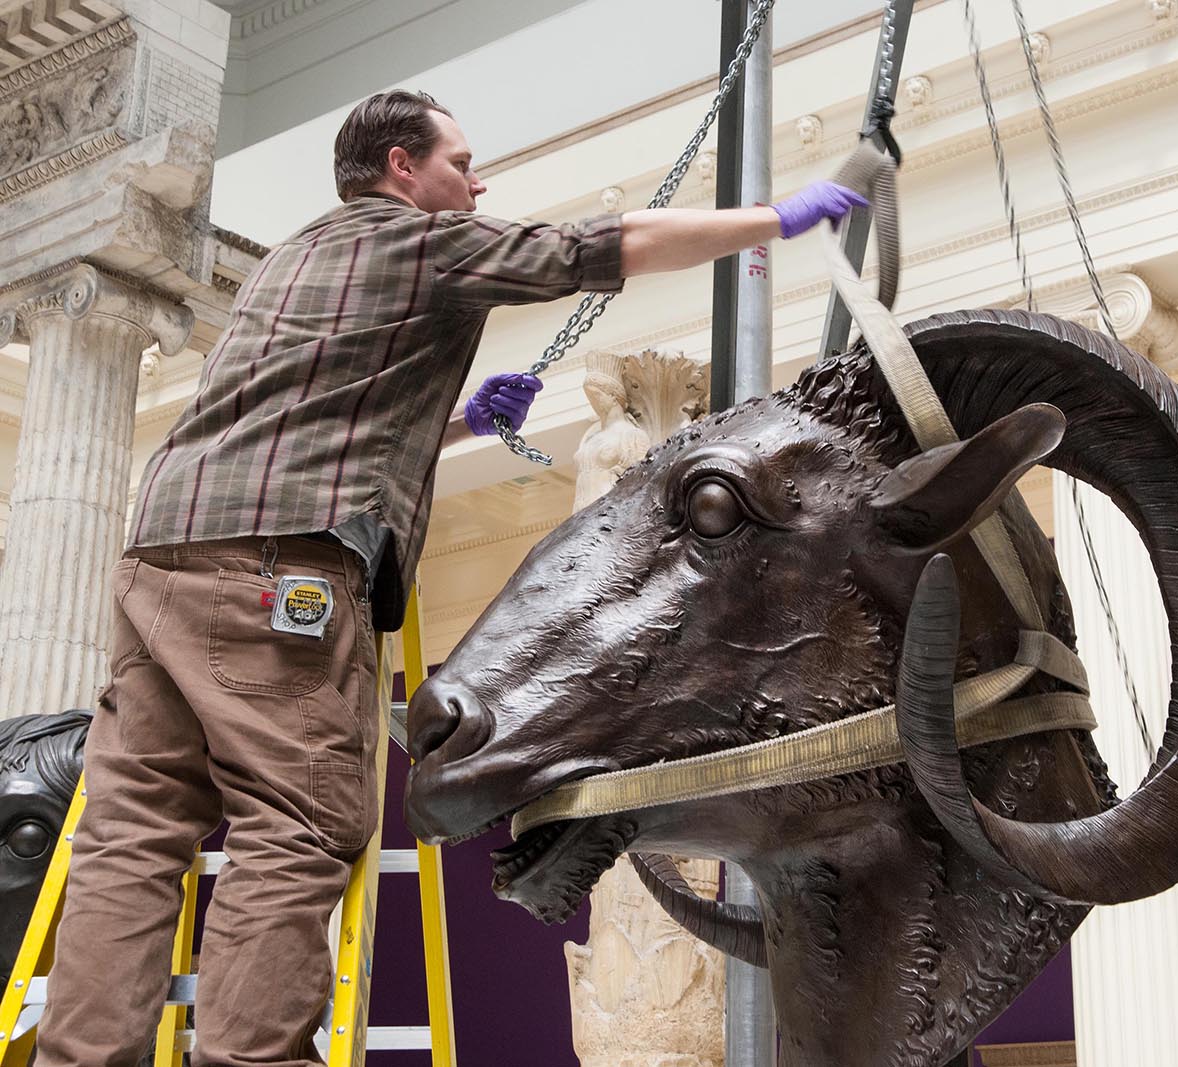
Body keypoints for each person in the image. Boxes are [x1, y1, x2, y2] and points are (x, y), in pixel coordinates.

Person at [34, 89, 866, 1067]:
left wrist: (468, 417)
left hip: (161, 556)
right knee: (298, 815)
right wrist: (780, 217)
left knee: (134, 831)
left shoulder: (300, 254)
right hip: (279, 564)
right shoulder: (420, 241)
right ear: (401, 168)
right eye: (461, 163)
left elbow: (319, 399)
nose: (478, 183)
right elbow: (601, 245)